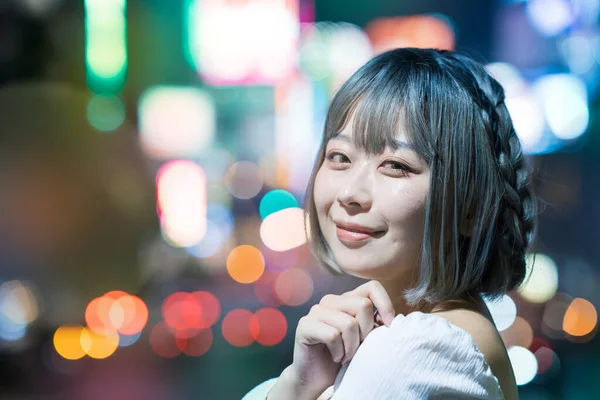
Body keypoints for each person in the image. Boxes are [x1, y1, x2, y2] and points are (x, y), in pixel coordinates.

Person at [243, 47, 537, 400]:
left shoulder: (414, 353)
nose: (350, 192)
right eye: (339, 156)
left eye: (396, 165)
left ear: (471, 207)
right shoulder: (441, 334)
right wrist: (301, 381)